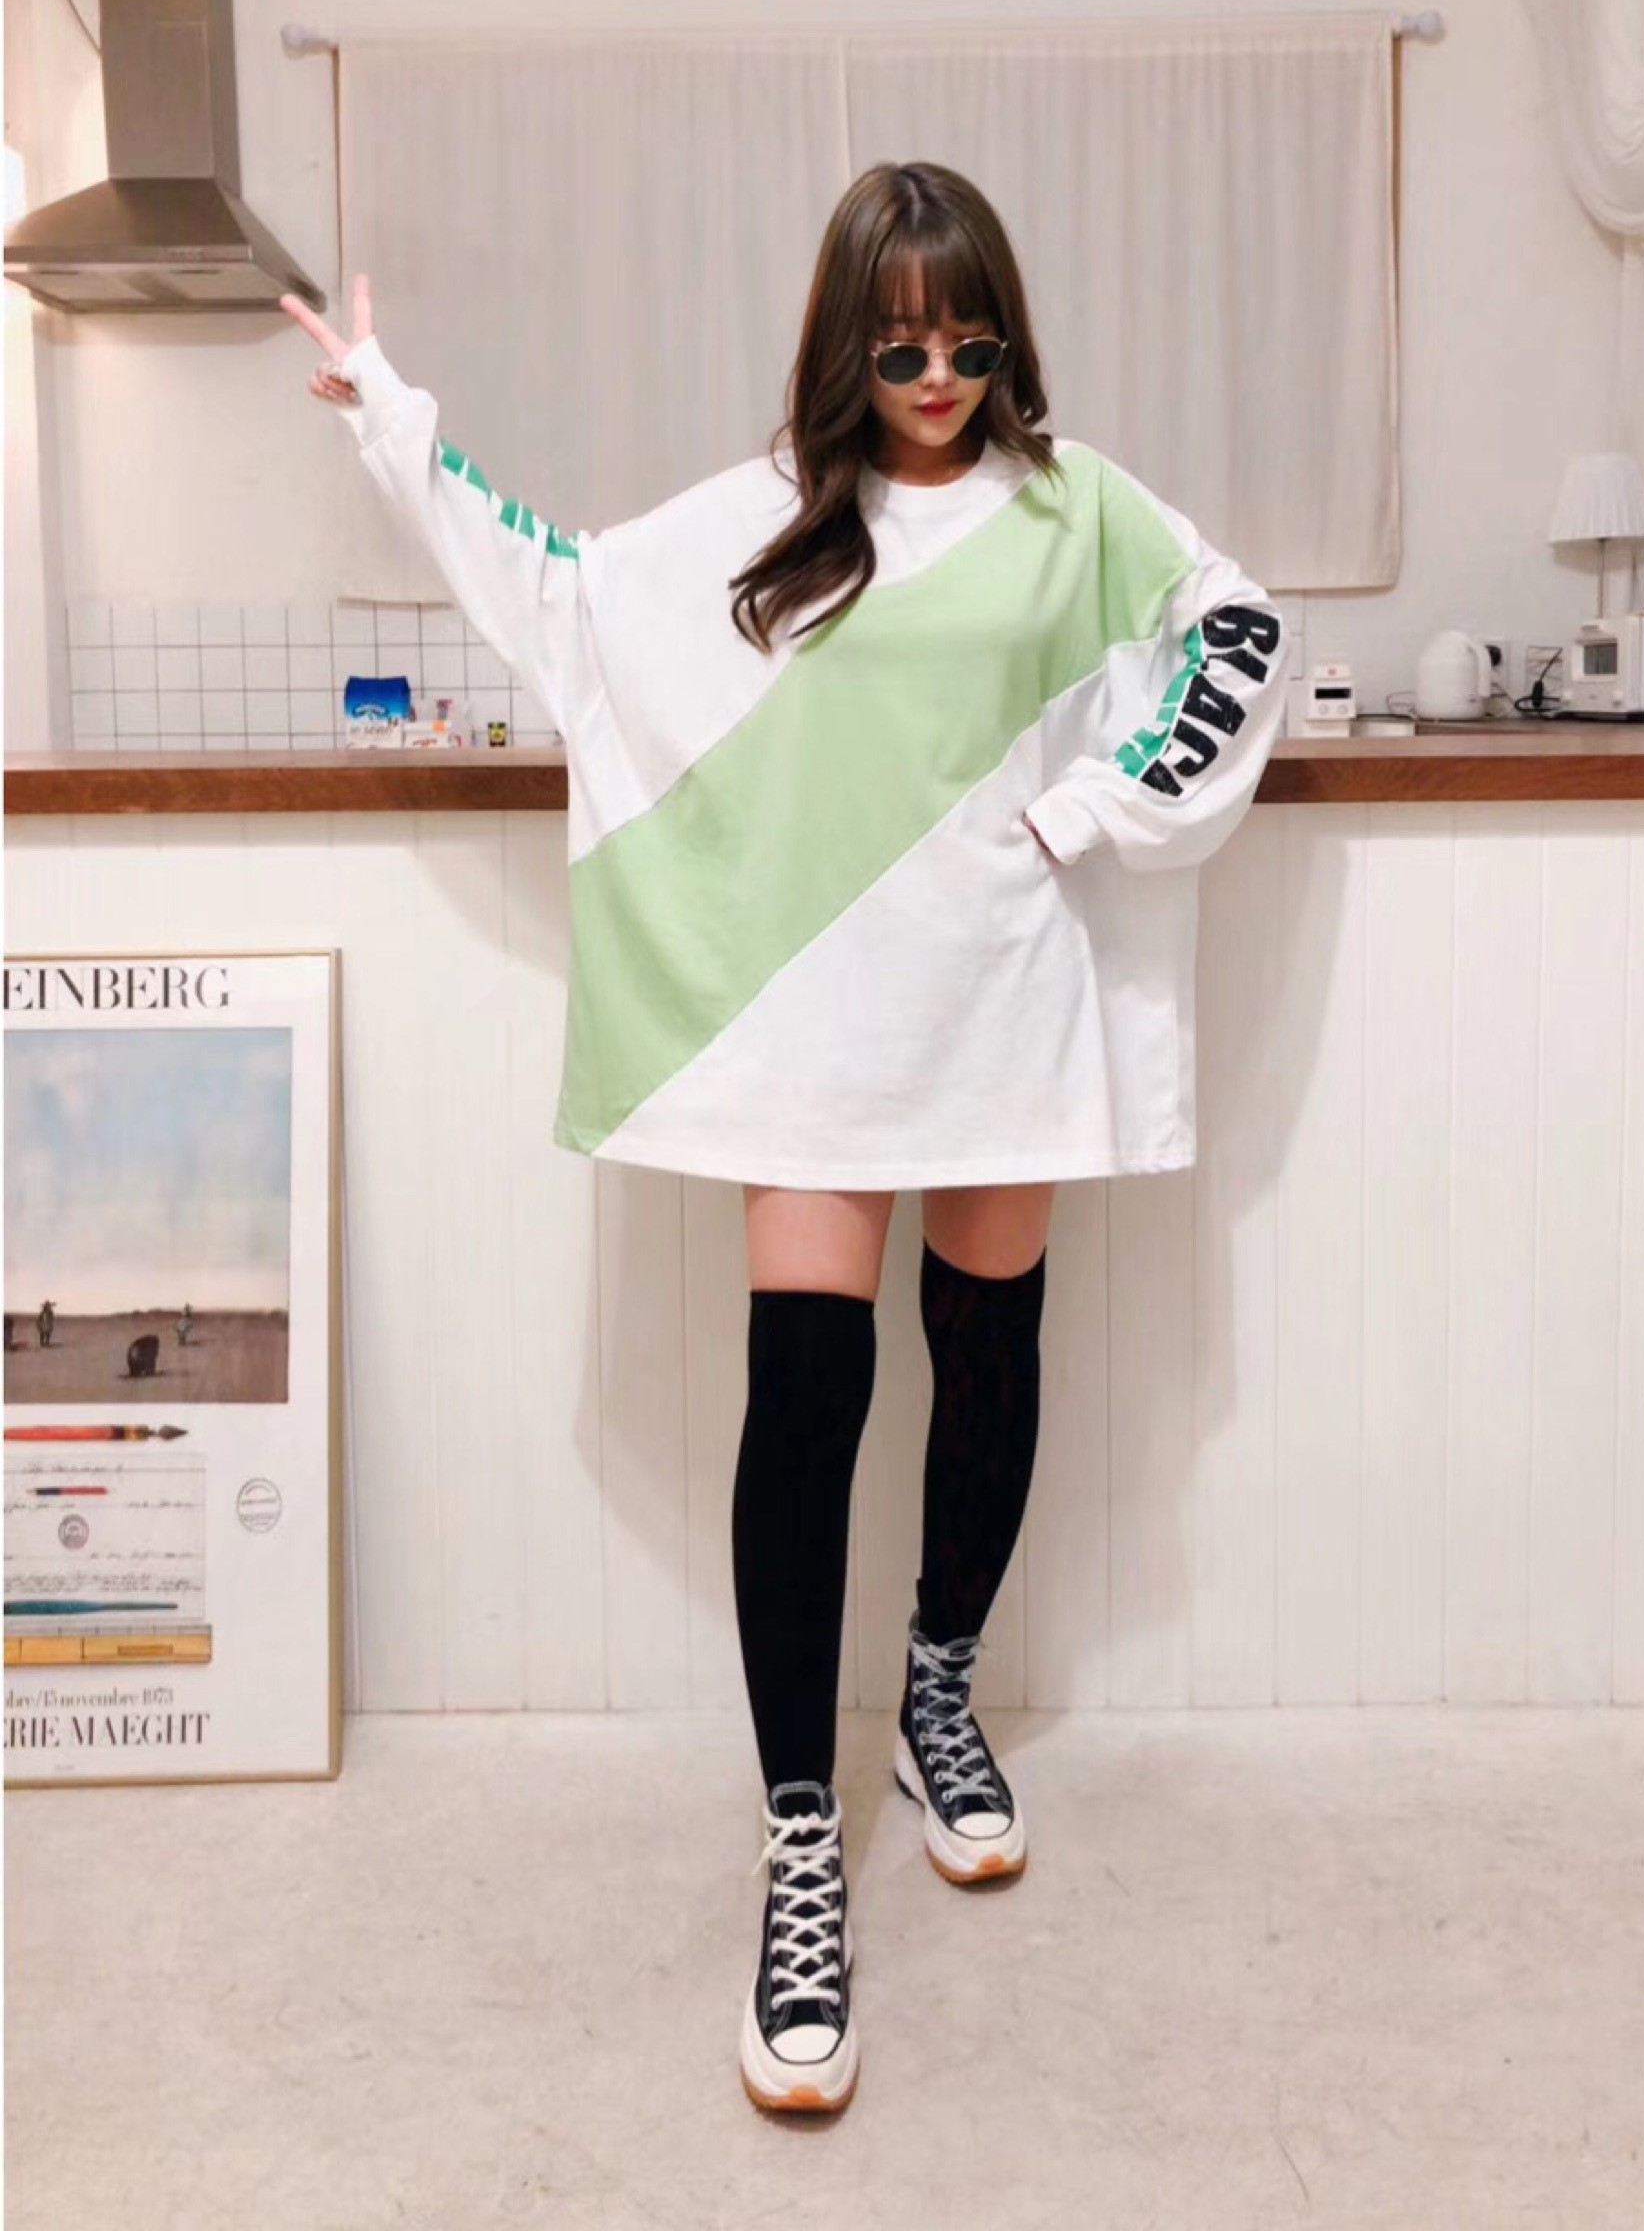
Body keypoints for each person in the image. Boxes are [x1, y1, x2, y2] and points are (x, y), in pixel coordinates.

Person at [283, 159, 1287, 2118]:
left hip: (1003, 998)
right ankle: (800, 1840)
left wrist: (1098, 806)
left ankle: (936, 1689)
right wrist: (394, 422)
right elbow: (561, 598)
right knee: (807, 1396)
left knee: (987, 1355)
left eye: (968, 339)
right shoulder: (767, 519)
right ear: (846, 345)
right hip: (812, 1018)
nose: (938, 378)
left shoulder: (1077, 509)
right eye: (899, 348)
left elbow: (1232, 634)